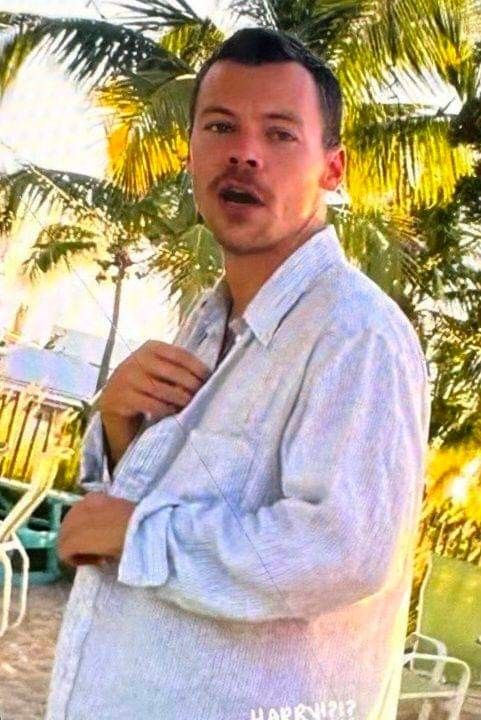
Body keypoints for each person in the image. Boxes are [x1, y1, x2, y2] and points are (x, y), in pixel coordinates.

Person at [46, 27, 431, 720]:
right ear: (190, 148)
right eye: (220, 126)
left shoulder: (355, 334)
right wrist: (117, 427)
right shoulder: (207, 318)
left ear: (331, 169)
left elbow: (341, 550)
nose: (244, 153)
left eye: (280, 134)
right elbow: (171, 501)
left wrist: (136, 535)